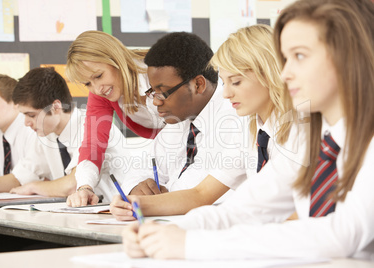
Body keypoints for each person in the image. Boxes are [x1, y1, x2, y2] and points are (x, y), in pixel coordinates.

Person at [122, 0, 374, 260]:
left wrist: (193, 244)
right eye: (285, 59)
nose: (285, 73)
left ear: (348, 57)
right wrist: (165, 233)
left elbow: (340, 235)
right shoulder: (319, 142)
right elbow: (245, 209)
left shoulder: (349, 141)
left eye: (299, 56)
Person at [110, 25, 298, 220]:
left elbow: (296, 212)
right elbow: (200, 194)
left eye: (236, 82)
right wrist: (135, 204)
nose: (226, 93)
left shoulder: (298, 130)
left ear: (269, 74)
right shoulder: (251, 131)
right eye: (225, 82)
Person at [112, 31, 245, 215]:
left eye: (163, 92)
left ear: (198, 84)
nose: (156, 101)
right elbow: (139, 168)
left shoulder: (235, 120)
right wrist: (137, 188)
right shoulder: (178, 121)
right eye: (152, 91)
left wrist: (154, 201)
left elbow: (201, 193)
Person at [65, 30, 164, 206]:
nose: (97, 89)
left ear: (115, 60)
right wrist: (84, 187)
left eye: (98, 76)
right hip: (170, 154)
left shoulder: (159, 70)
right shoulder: (102, 95)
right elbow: (92, 144)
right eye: (88, 83)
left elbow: (183, 126)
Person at [10, 67, 128, 202]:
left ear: (55, 107)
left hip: (115, 212)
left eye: (31, 115)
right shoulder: (48, 135)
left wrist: (34, 187)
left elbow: (73, 185)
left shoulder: (91, 126)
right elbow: (19, 177)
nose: (26, 123)